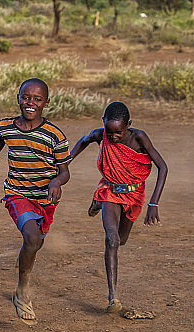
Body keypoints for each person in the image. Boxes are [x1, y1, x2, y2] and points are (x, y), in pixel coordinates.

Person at [0, 78, 70, 323]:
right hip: (17, 193)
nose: (30, 103)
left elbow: (65, 171)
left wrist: (56, 182)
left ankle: (23, 278)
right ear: (18, 98)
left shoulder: (55, 135)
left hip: (46, 198)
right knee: (32, 238)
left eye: (37, 99)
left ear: (46, 103)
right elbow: (0, 139)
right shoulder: (6, 125)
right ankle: (22, 291)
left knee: (35, 243)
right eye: (26, 97)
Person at [69, 101, 168, 313]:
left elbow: (163, 167)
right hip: (110, 190)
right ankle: (113, 297)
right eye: (109, 132)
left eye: (119, 133)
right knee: (111, 239)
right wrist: (64, 164)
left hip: (134, 194)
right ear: (103, 123)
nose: (113, 137)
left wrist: (154, 202)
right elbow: (84, 140)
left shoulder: (139, 137)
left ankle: (97, 202)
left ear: (128, 125)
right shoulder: (100, 134)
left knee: (121, 240)